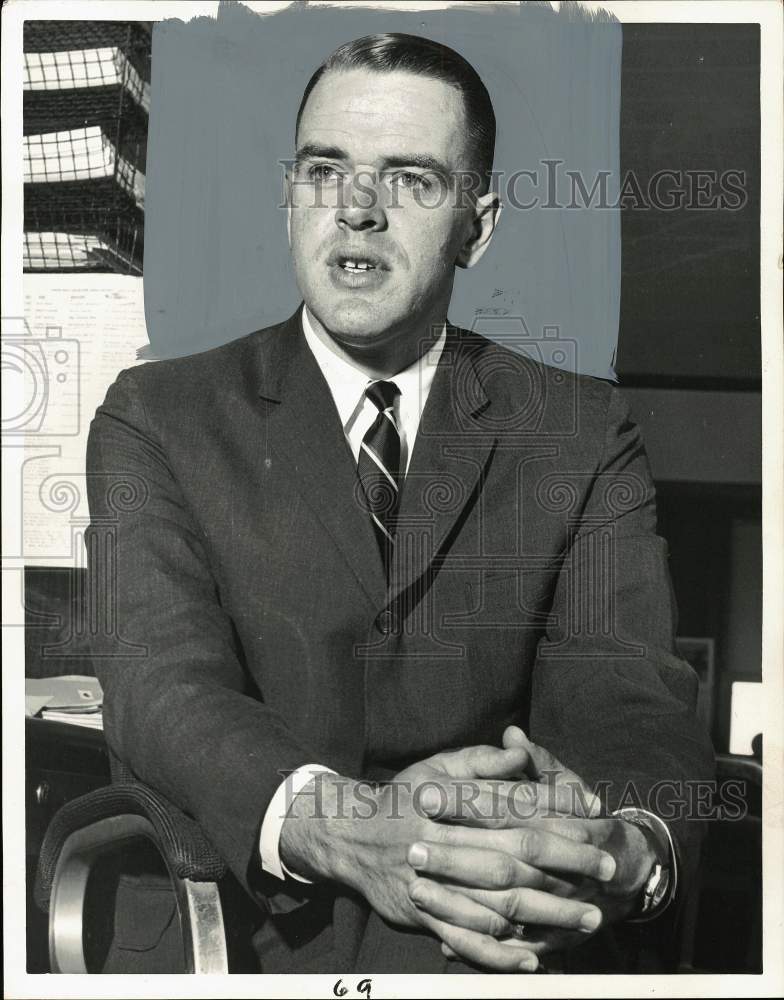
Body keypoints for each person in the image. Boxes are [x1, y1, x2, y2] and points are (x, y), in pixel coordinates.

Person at [86, 32, 714, 974]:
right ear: (289, 190)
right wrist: (346, 823)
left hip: (502, 941)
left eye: (412, 179)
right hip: (243, 943)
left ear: (479, 224)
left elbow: (625, 693)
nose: (358, 211)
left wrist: (621, 848)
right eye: (325, 168)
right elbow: (162, 688)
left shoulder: (579, 432)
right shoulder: (158, 416)